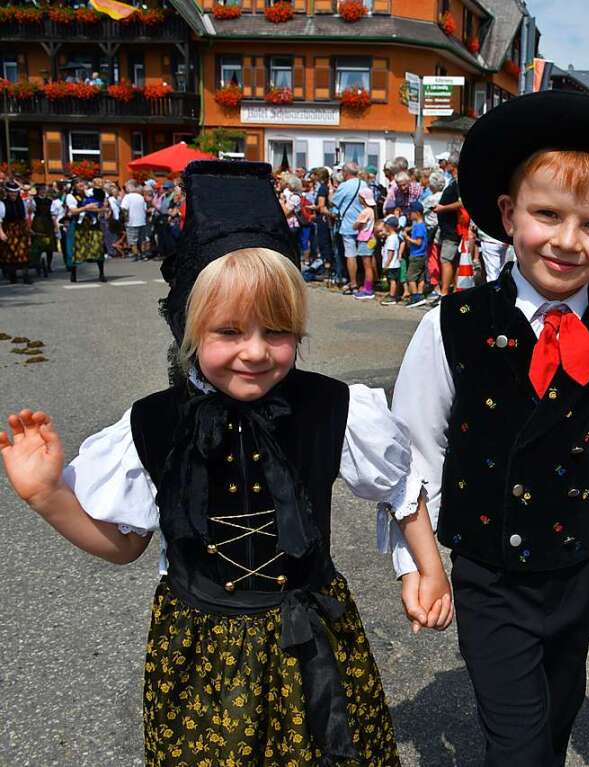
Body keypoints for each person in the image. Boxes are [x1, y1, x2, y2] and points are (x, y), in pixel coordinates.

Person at [0, 160, 408, 765]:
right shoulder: (153, 423)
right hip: (202, 653)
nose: (254, 351)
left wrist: (422, 566)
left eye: (276, 331)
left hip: (315, 637)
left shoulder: (332, 406)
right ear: (190, 329)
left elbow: (398, 487)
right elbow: (124, 546)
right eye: (228, 331)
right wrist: (48, 497)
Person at [382, 90, 589, 767]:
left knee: (552, 719)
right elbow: (414, 451)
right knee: (517, 743)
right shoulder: (452, 323)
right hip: (488, 572)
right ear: (507, 214)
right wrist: (419, 559)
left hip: (576, 570)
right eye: (546, 214)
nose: (565, 240)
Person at [331, 162, 374, 298]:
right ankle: (368, 282)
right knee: (366, 256)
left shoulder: (344, 186)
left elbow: (334, 202)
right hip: (365, 226)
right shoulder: (364, 184)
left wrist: (331, 191)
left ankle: (354, 283)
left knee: (351, 255)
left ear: (345, 172)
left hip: (349, 225)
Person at [433, 150, 462, 302]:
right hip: (449, 228)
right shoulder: (454, 180)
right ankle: (453, 290)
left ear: (452, 165)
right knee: (453, 260)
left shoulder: (458, 181)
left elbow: (461, 202)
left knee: (446, 260)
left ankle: (445, 292)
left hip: (452, 230)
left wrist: (443, 208)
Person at [66, 181, 105, 283]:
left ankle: (101, 273)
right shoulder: (71, 196)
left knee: (98, 246)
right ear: (74, 185)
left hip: (92, 223)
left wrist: (99, 209)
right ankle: (73, 273)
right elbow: (73, 211)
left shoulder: (90, 193)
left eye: (82, 182)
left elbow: (100, 204)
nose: (81, 184)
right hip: (80, 225)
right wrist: (86, 208)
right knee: (77, 248)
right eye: (78, 183)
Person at [1, 180, 32, 283]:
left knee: (23, 253)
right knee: (10, 254)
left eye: (15, 192)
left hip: (21, 229)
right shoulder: (2, 204)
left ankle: (26, 276)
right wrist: (1, 233)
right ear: (8, 192)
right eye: (11, 192)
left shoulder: (21, 203)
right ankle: (12, 276)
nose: (13, 194)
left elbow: (25, 217)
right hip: (8, 229)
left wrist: (28, 229)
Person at [29, 183, 58, 277]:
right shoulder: (34, 200)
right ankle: (37, 263)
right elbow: (31, 211)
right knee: (38, 244)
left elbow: (53, 214)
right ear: (38, 191)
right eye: (41, 189)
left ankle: (49, 265)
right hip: (37, 222)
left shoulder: (50, 201)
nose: (43, 191)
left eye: (44, 189)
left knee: (49, 246)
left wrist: (55, 226)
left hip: (48, 223)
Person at [404, 201, 429, 306]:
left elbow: (418, 242)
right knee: (421, 276)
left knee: (410, 276)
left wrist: (407, 238)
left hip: (416, 255)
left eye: (411, 213)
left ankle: (415, 296)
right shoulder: (420, 225)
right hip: (422, 254)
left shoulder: (419, 226)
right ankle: (420, 294)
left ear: (417, 213)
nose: (409, 215)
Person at [379, 215, 403, 306]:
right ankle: (393, 294)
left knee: (392, 280)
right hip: (393, 264)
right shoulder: (393, 237)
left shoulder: (392, 239)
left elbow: (391, 252)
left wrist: (387, 263)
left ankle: (392, 296)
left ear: (389, 226)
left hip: (392, 264)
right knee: (392, 280)